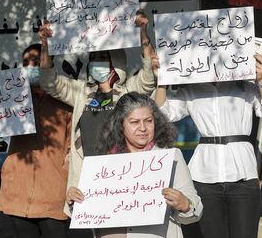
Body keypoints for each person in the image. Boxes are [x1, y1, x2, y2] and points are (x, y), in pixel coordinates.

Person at [39, 10, 156, 221]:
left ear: (116, 63)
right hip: (88, 178)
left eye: (103, 57)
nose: (97, 62)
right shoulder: (81, 93)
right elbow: (49, 81)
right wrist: (45, 45)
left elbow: (149, 75)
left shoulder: (129, 92)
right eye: (94, 58)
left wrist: (143, 32)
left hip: (124, 177)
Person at [154, 53, 262, 238]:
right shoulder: (191, 91)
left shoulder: (245, 87)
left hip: (243, 175)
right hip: (204, 176)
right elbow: (162, 115)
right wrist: (162, 80)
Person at [68, 92, 203, 238]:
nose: (143, 128)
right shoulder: (104, 164)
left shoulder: (171, 158)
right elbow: (90, 212)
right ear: (120, 125)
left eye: (148, 121)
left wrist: (185, 205)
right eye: (134, 122)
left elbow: (195, 210)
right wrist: (75, 201)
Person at [0, 43, 73, 238]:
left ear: (48, 64)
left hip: (53, 195)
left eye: (36, 62)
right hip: (17, 194)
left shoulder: (65, 101)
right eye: (26, 62)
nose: (30, 67)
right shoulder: (11, 100)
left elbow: (73, 147)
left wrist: (66, 176)